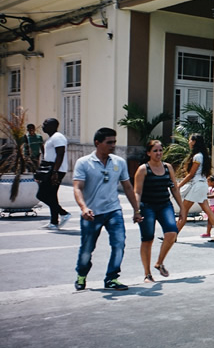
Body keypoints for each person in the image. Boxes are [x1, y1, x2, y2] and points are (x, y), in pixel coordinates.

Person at [72, 127, 142, 291]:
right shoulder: (84, 163)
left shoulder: (119, 162)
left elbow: (128, 187)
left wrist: (136, 210)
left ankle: (112, 278)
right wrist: (84, 207)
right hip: (92, 213)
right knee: (87, 248)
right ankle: (81, 275)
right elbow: (77, 188)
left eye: (114, 142)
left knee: (119, 244)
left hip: (113, 211)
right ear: (97, 143)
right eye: (109, 142)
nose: (113, 145)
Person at [133, 139, 183, 282]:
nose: (158, 153)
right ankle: (147, 274)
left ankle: (159, 262)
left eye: (160, 150)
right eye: (155, 150)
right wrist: (137, 210)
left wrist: (182, 209)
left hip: (164, 205)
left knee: (172, 232)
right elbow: (137, 192)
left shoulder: (168, 167)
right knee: (148, 239)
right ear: (149, 153)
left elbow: (174, 188)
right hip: (147, 206)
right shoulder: (143, 169)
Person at [175, 134, 214, 241]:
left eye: (190, 140)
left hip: (197, 185)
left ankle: (172, 235)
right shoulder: (203, 156)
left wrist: (179, 186)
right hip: (202, 185)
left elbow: (191, 174)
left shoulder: (197, 156)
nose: (189, 142)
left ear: (194, 142)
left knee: (184, 210)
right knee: (207, 210)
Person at [36, 118, 71, 229]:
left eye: (45, 124)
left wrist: (55, 172)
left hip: (55, 170)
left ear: (53, 126)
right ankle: (54, 222)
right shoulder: (52, 138)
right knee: (51, 195)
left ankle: (64, 213)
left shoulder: (58, 137)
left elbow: (60, 154)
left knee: (41, 194)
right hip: (50, 168)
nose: (43, 126)